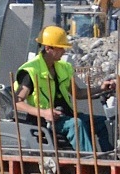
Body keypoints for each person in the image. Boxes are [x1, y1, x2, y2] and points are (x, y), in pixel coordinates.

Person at [13, 25, 114, 153]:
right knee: (76, 125)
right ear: (48, 48)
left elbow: (78, 93)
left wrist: (100, 88)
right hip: (44, 120)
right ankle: (88, 164)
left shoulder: (63, 67)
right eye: (61, 48)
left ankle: (109, 159)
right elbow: (17, 103)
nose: (64, 51)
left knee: (102, 123)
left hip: (66, 116)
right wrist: (44, 113)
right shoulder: (30, 71)